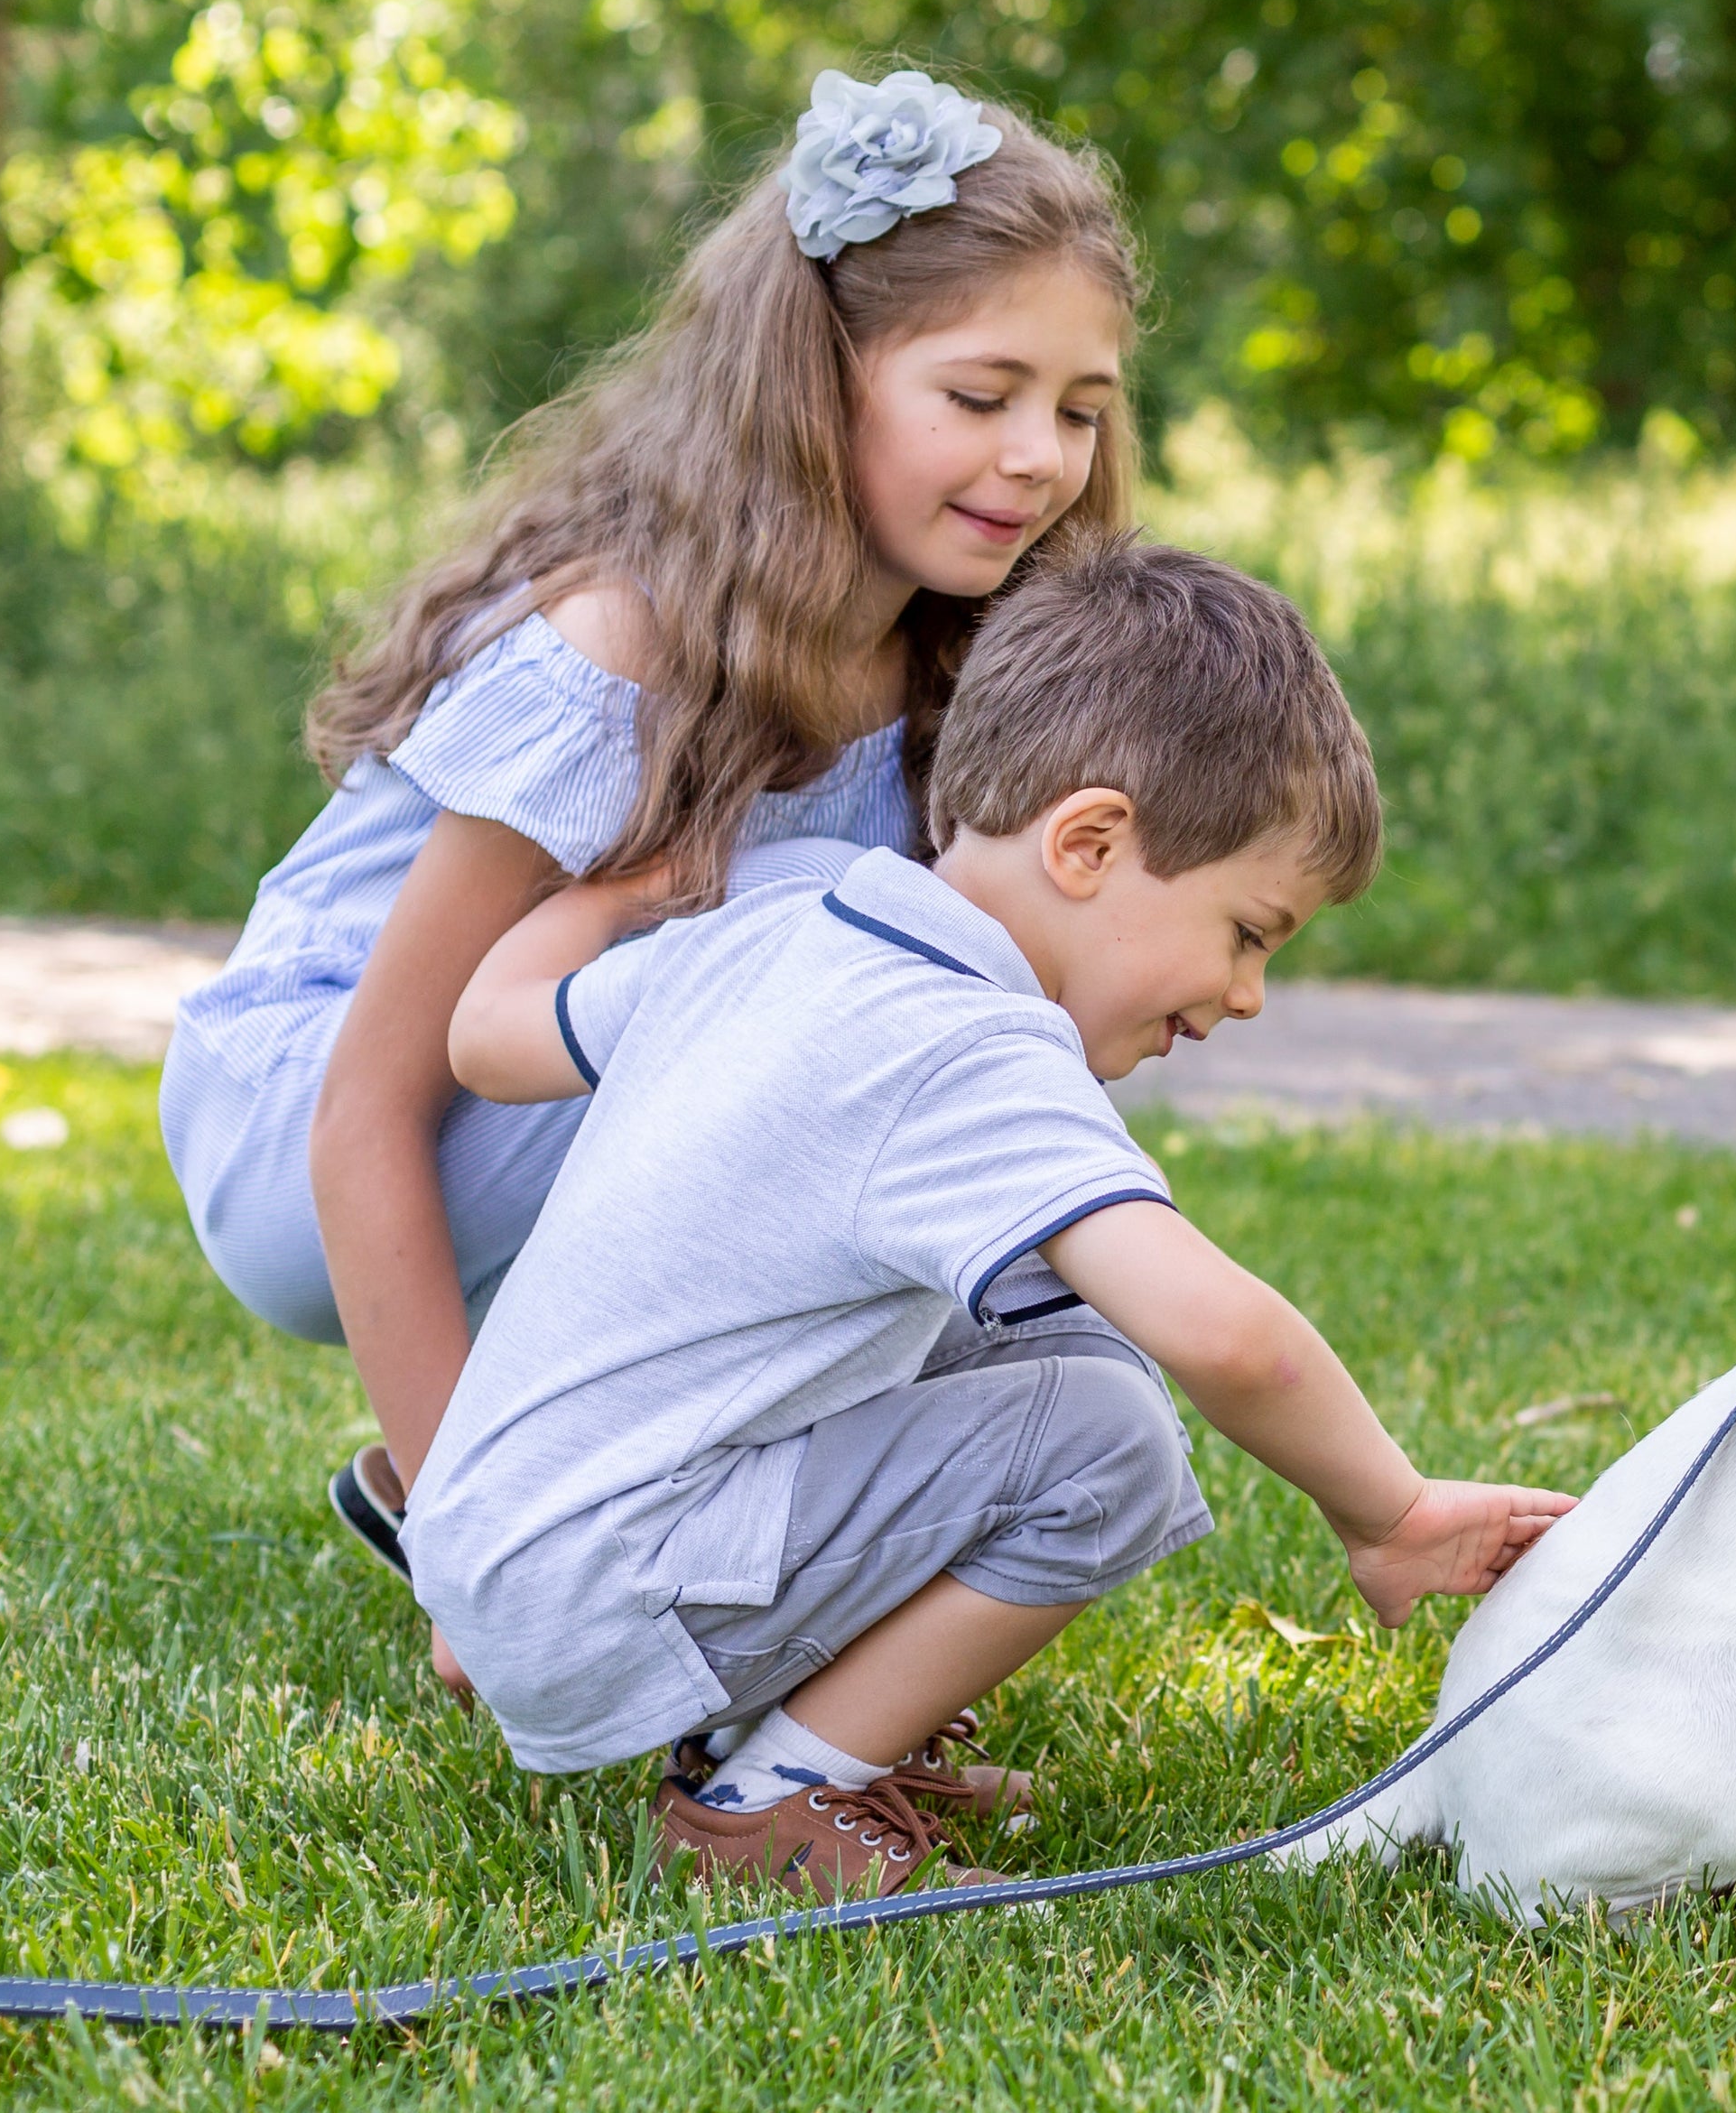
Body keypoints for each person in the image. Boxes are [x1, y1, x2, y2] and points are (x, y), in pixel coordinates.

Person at [414, 539, 1579, 1896]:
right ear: (1088, 844)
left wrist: (614, 896)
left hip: (510, 1559)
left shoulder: (788, 912)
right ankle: (763, 1803)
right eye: (1249, 932)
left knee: (1055, 1333)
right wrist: (1392, 1513)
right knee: (1106, 1438)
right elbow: (1230, 1340)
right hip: (604, 1589)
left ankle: (797, 1729)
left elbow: (488, 1035)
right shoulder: (967, 1048)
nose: (1247, 995)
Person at [155, 72, 1137, 1643]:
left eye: (1079, 412)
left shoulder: (958, 665)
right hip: (312, 1122)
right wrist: (481, 1563)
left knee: (911, 1041)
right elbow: (365, 1111)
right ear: (814, 383)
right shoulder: (624, 648)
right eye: (979, 397)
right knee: (845, 1017)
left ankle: (670, 1567)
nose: (1038, 457)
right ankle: (493, 1503)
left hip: (529, 1095)